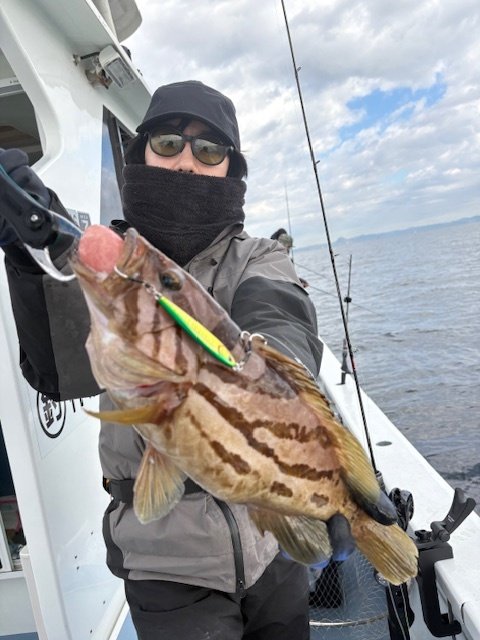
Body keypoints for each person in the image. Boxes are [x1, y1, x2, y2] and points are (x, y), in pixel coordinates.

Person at [0, 80, 354, 639]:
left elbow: (281, 324)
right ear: (140, 154)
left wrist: (321, 470)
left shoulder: (258, 256)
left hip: (270, 542)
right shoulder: (114, 262)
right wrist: (28, 254)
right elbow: (58, 371)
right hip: (165, 564)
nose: (187, 161)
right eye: (168, 143)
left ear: (230, 169)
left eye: (209, 150)